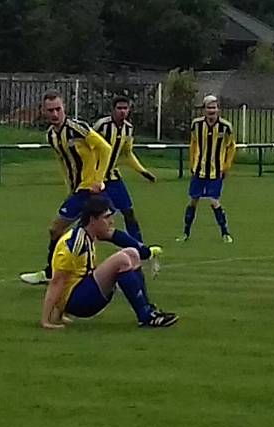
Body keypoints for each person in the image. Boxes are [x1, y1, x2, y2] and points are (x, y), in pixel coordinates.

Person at [41, 195, 178, 329]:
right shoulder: (73, 244)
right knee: (122, 260)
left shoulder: (88, 232)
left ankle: (148, 311)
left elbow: (115, 235)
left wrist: (145, 252)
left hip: (83, 292)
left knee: (132, 253)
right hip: (80, 301)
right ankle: (146, 316)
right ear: (93, 219)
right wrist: (46, 320)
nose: (111, 221)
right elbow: (57, 282)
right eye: (106, 217)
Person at [20, 90, 113, 285]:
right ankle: (137, 257)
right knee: (95, 234)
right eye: (50, 110)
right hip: (78, 190)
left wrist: (98, 179)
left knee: (58, 229)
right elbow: (64, 163)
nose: (55, 114)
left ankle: (51, 273)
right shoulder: (51, 136)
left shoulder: (77, 128)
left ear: (65, 109)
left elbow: (105, 148)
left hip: (89, 189)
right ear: (43, 112)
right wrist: (69, 187)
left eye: (58, 109)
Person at [93, 96, 156, 243]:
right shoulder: (102, 125)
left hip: (113, 177)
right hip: (96, 178)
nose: (122, 112)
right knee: (101, 214)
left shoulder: (128, 128)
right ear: (112, 110)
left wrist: (143, 172)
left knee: (128, 212)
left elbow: (127, 154)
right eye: (119, 108)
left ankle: (138, 245)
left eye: (125, 108)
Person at [178, 95, 237, 243]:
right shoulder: (196, 125)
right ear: (204, 110)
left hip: (216, 170)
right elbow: (193, 144)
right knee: (193, 200)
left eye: (214, 107)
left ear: (218, 109)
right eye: (209, 107)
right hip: (199, 169)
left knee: (213, 201)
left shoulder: (226, 127)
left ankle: (225, 233)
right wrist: (192, 163)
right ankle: (186, 233)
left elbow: (231, 147)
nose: (212, 110)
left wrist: (226, 166)